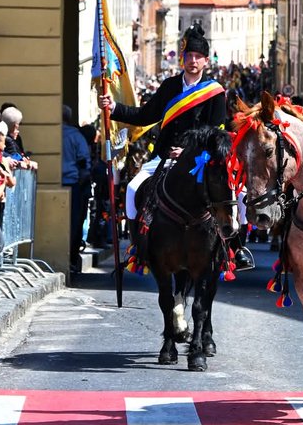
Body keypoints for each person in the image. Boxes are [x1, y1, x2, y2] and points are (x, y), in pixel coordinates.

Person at [96, 23, 250, 267]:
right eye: (189, 56)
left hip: (202, 160)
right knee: (134, 189)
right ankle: (138, 247)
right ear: (182, 58)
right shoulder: (169, 86)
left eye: (198, 57)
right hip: (165, 157)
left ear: (206, 61)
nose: (193, 61)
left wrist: (189, 152)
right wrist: (113, 108)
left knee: (239, 196)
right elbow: (146, 115)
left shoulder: (215, 92)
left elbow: (214, 131)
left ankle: (235, 248)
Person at [62, 105, 91, 277]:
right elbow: (84, 162)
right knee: (74, 223)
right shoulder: (75, 136)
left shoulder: (53, 134)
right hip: (73, 184)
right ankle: (71, 259)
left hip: (58, 181)